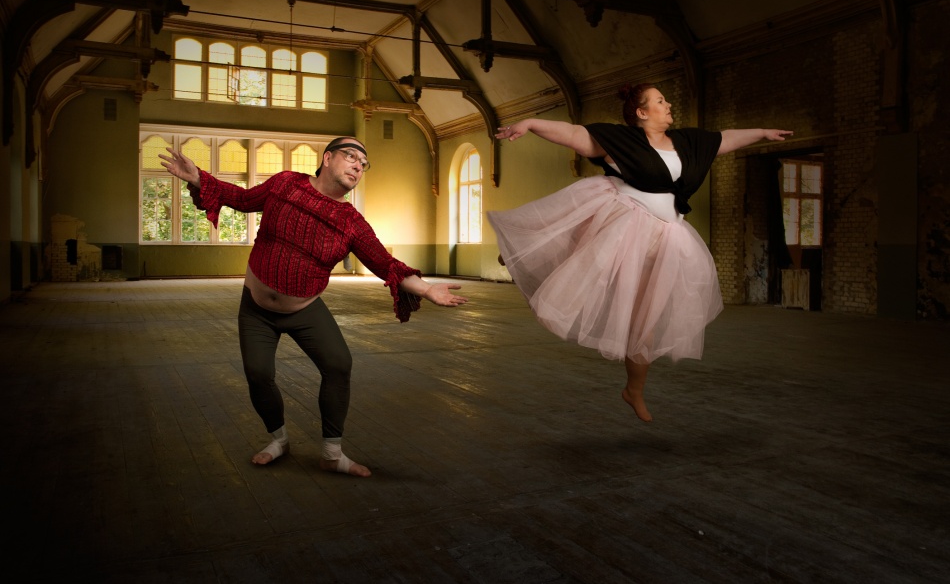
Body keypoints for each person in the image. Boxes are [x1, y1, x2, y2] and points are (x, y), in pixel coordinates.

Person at [159, 137, 467, 477]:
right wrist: (199, 178)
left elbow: (385, 264)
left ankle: (332, 454)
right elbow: (242, 199)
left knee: (339, 365)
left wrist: (427, 289)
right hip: (257, 308)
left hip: (305, 309)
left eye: (363, 165)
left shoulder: (351, 222)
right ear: (328, 158)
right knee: (258, 374)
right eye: (351, 157)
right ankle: (278, 440)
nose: (357, 166)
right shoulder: (285, 184)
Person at [490, 84, 792, 422]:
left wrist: (762, 133)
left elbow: (724, 139)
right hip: (622, 220)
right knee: (580, 259)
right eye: (661, 100)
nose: (669, 103)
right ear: (642, 112)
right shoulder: (622, 140)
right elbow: (574, 134)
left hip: (666, 238)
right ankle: (521, 253)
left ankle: (634, 389)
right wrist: (531, 123)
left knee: (644, 317)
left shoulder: (687, 142)